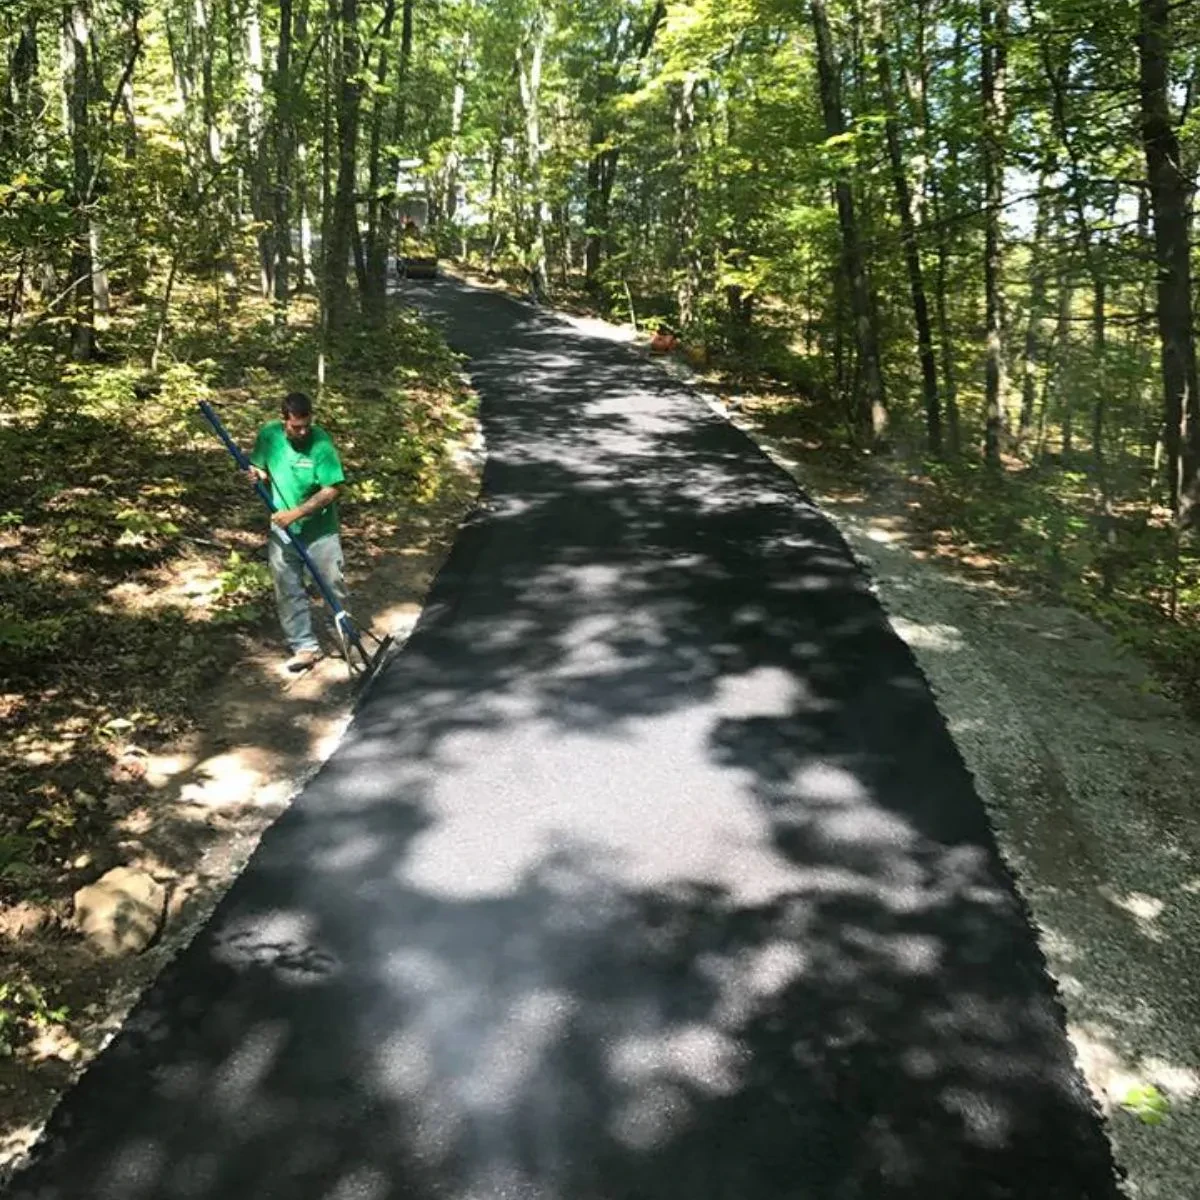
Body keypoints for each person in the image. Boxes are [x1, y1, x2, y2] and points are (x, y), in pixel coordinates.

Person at [246, 391, 348, 672]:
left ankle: (342, 633)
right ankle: (304, 647)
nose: (302, 432)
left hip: (319, 530)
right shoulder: (269, 435)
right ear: (283, 421)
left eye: (306, 425)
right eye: (295, 427)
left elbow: (333, 489)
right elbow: (259, 466)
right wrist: (258, 475)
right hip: (282, 528)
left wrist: (298, 513)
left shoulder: (321, 444)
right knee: (287, 588)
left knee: (332, 584)